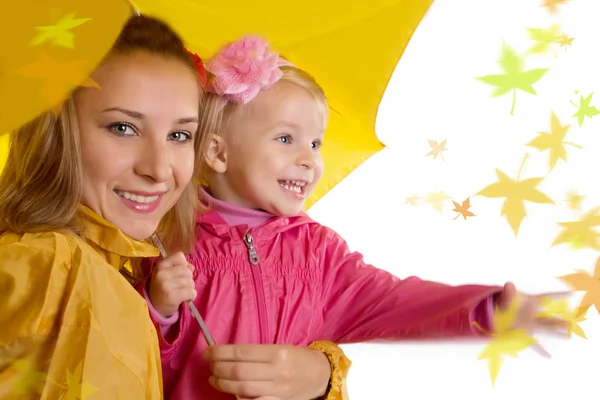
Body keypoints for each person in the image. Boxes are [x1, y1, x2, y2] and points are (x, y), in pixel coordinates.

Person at [144, 36, 567, 400]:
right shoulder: (166, 241)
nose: (308, 159)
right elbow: (128, 362)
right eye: (286, 139)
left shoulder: (319, 255)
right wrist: (159, 308)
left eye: (315, 143)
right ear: (217, 152)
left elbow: (397, 303)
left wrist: (487, 310)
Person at [0, 14, 207, 399]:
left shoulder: (103, 272)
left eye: (180, 134)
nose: (159, 169)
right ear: (55, 131)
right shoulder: (51, 267)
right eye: (123, 128)